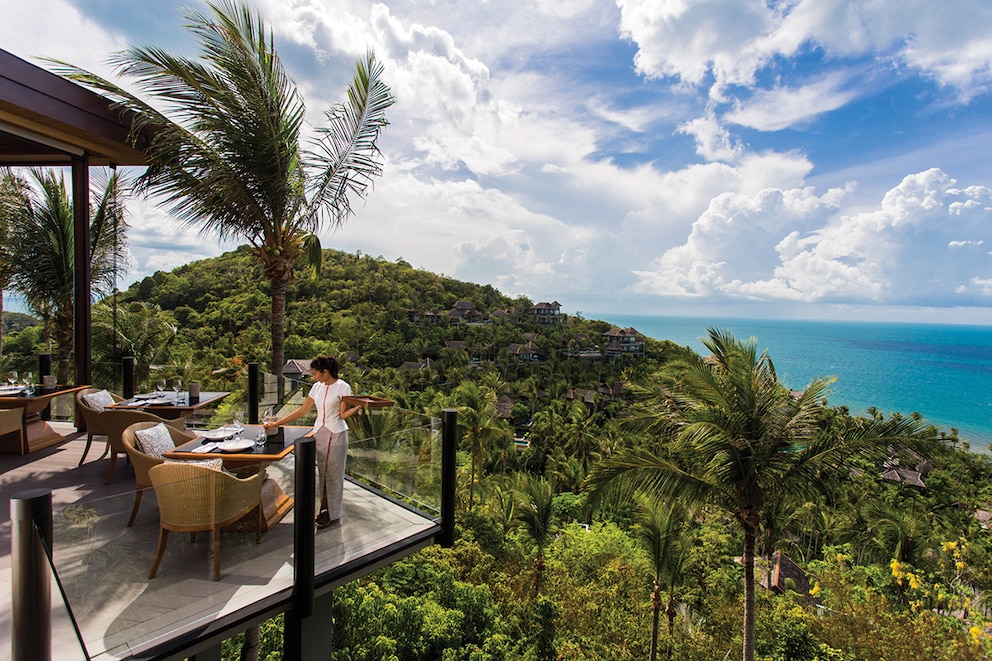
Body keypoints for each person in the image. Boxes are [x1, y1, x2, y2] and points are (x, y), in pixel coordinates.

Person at [264, 356, 364, 528]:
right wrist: (277, 423)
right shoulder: (316, 388)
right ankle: (324, 510)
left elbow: (342, 415)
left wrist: (358, 407)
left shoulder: (343, 387)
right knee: (322, 474)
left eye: (315, 373)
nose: (313, 377)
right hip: (319, 433)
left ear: (325, 372)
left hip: (337, 434)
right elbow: (302, 410)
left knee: (333, 476)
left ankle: (331, 513)